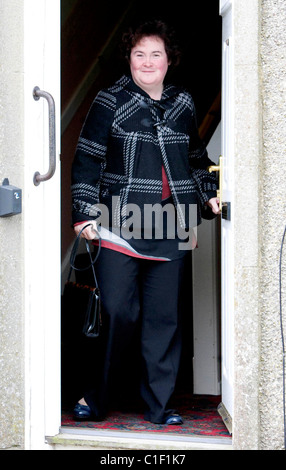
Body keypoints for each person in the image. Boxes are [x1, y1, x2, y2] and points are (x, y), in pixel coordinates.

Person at [71, 19, 220, 425]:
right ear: (130, 60)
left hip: (171, 223)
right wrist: (83, 215)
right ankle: (95, 396)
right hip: (118, 222)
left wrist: (208, 192)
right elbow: (86, 160)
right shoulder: (110, 100)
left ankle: (160, 407)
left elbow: (195, 159)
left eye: (156, 54)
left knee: (163, 320)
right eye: (140, 54)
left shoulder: (183, 103)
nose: (148, 62)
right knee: (118, 312)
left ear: (169, 60)